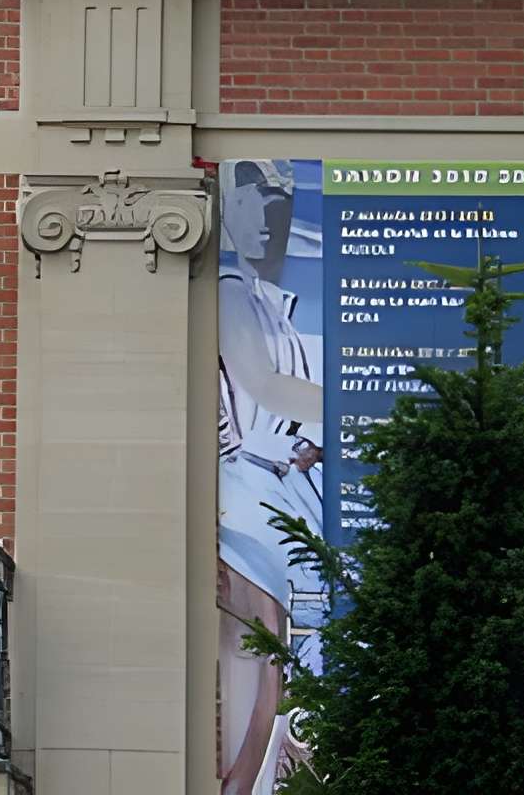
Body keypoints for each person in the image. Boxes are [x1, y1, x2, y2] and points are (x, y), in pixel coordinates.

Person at [217, 158, 323, 793]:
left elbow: (286, 406)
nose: (268, 224)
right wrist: (354, 400)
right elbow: (263, 386)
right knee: (269, 646)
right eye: (253, 206)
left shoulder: (274, 305)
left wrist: (313, 438)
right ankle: (249, 782)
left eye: (279, 209)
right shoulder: (231, 291)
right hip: (249, 491)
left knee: (279, 649)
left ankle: (260, 776)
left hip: (284, 487)